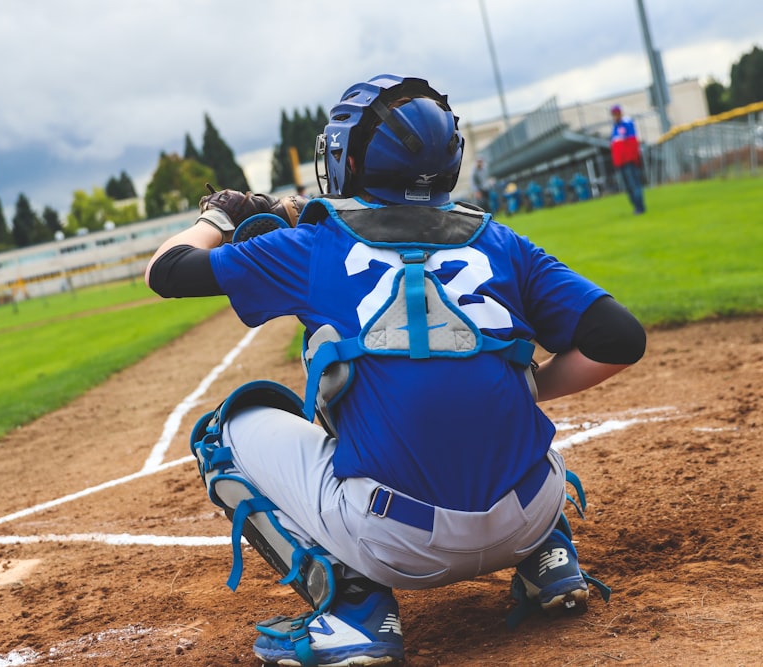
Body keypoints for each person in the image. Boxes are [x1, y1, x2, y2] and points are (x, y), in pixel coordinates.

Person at [145, 74, 646, 666]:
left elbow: (169, 271)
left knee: (222, 435)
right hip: (529, 511)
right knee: (494, 400)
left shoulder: (312, 246)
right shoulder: (502, 242)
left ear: (348, 159)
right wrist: (529, 385)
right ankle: (549, 557)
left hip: (397, 542)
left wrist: (223, 214)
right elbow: (620, 338)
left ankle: (355, 608)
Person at [609, 104, 645, 214]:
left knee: (634, 184)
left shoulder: (627, 124)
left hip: (629, 161)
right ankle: (636, 206)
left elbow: (632, 143)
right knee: (628, 187)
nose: (615, 116)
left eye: (616, 113)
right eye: (613, 114)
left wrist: (633, 159)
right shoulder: (615, 127)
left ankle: (640, 207)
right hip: (621, 163)